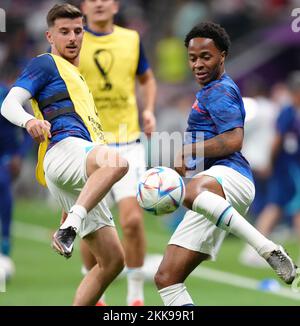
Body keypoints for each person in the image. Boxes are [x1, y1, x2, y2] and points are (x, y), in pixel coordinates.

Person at [154, 22, 299, 306]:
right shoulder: (207, 92)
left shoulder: (219, 90)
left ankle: (265, 247)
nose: (197, 64)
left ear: (222, 56)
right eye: (193, 58)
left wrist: (188, 150)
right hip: (214, 185)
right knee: (167, 278)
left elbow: (234, 140)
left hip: (232, 177)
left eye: (205, 57)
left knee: (186, 190)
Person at [1, 3, 128, 306]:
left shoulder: (77, 78)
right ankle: (70, 226)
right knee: (117, 161)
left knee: (112, 262)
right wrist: (29, 121)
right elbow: (8, 104)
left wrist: (69, 200)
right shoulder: (45, 64)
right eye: (64, 32)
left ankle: (69, 221)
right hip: (63, 149)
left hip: (74, 168)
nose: (72, 37)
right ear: (49, 36)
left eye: (78, 31)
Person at [78, 0, 157, 306]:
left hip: (128, 142)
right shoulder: (72, 42)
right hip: (89, 145)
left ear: (115, 5)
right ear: (83, 6)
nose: (98, 3)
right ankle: (97, 292)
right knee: (92, 225)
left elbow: (147, 78)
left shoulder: (131, 39)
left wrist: (148, 110)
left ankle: (135, 296)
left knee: (132, 222)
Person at [241, 71, 300, 267]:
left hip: (292, 167)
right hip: (286, 169)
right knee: (274, 205)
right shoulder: (287, 112)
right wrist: (270, 162)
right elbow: (277, 140)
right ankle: (253, 249)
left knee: (289, 208)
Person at [0, 84, 32, 277]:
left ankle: (5, 239)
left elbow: (29, 125)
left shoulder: (5, 95)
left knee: (2, 183)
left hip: (7, 156)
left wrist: (19, 155)